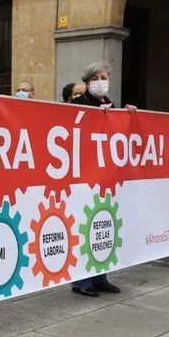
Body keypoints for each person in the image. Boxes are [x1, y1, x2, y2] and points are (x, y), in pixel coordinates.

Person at [69, 62, 136, 297]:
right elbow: (73, 133)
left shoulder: (110, 104)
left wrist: (126, 116)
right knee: (84, 225)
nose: (101, 81)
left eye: (104, 76)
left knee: (103, 224)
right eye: (96, 77)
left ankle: (101, 276)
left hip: (106, 176)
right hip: (84, 176)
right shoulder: (78, 104)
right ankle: (81, 282)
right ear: (88, 82)